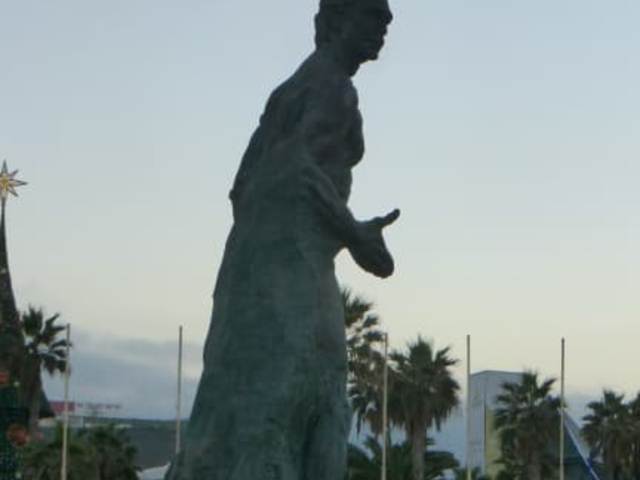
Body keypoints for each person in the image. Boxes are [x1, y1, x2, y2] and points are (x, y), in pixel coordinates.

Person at [167, 1, 397, 478]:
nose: (386, 24)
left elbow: (242, 187)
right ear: (338, 20)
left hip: (253, 273)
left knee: (251, 405)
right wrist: (354, 234)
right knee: (312, 403)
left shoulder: (293, 89)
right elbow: (296, 168)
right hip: (293, 276)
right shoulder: (332, 87)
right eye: (373, 13)